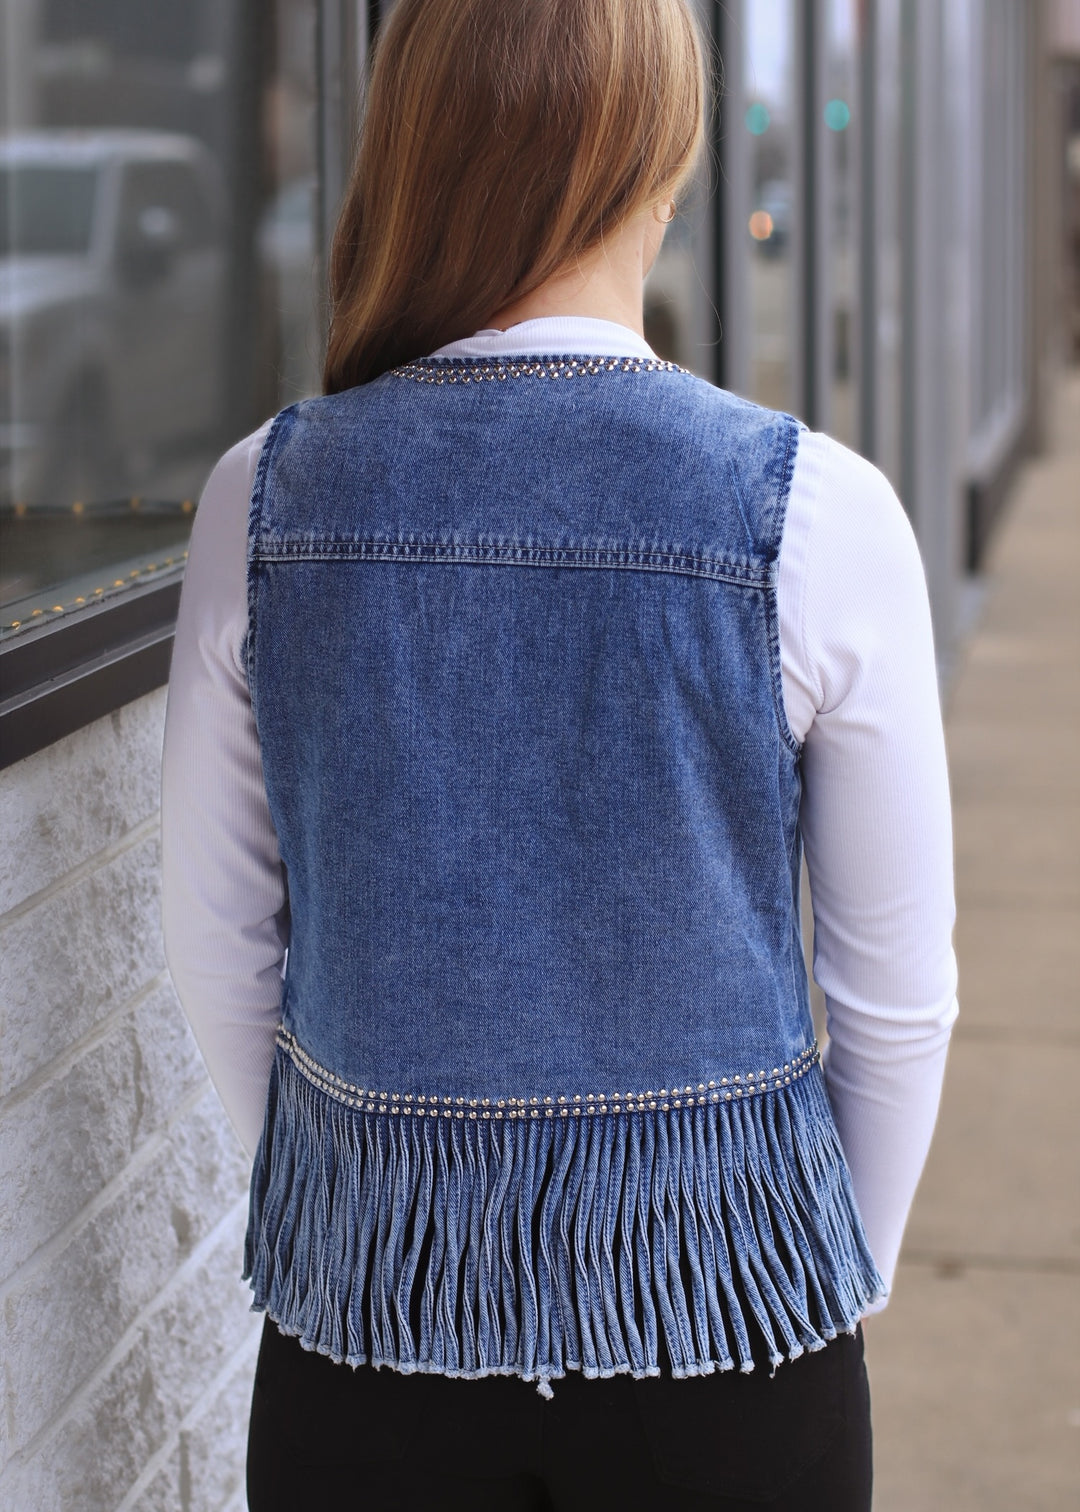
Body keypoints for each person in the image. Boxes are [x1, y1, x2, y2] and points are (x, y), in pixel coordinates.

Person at [161, 1, 957, 1507]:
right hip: (730, 1345)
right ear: (664, 154)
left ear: (409, 149)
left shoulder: (260, 499)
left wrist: (366, 1212)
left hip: (365, 1353)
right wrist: (831, 1290)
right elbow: (898, 1000)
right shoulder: (821, 510)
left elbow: (216, 943)